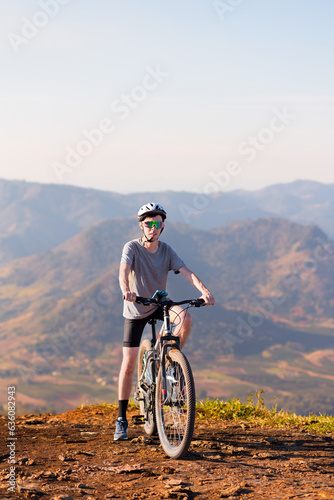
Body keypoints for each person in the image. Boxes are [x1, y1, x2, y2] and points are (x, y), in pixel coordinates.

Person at [114, 202, 215, 441]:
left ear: (162, 226)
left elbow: (186, 271)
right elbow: (123, 270)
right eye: (148, 224)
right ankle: (121, 419)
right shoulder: (132, 248)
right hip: (136, 308)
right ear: (141, 225)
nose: (153, 228)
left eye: (157, 224)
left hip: (159, 304)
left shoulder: (166, 250)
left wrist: (204, 290)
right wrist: (126, 289)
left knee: (185, 316)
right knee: (128, 364)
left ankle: (168, 359)